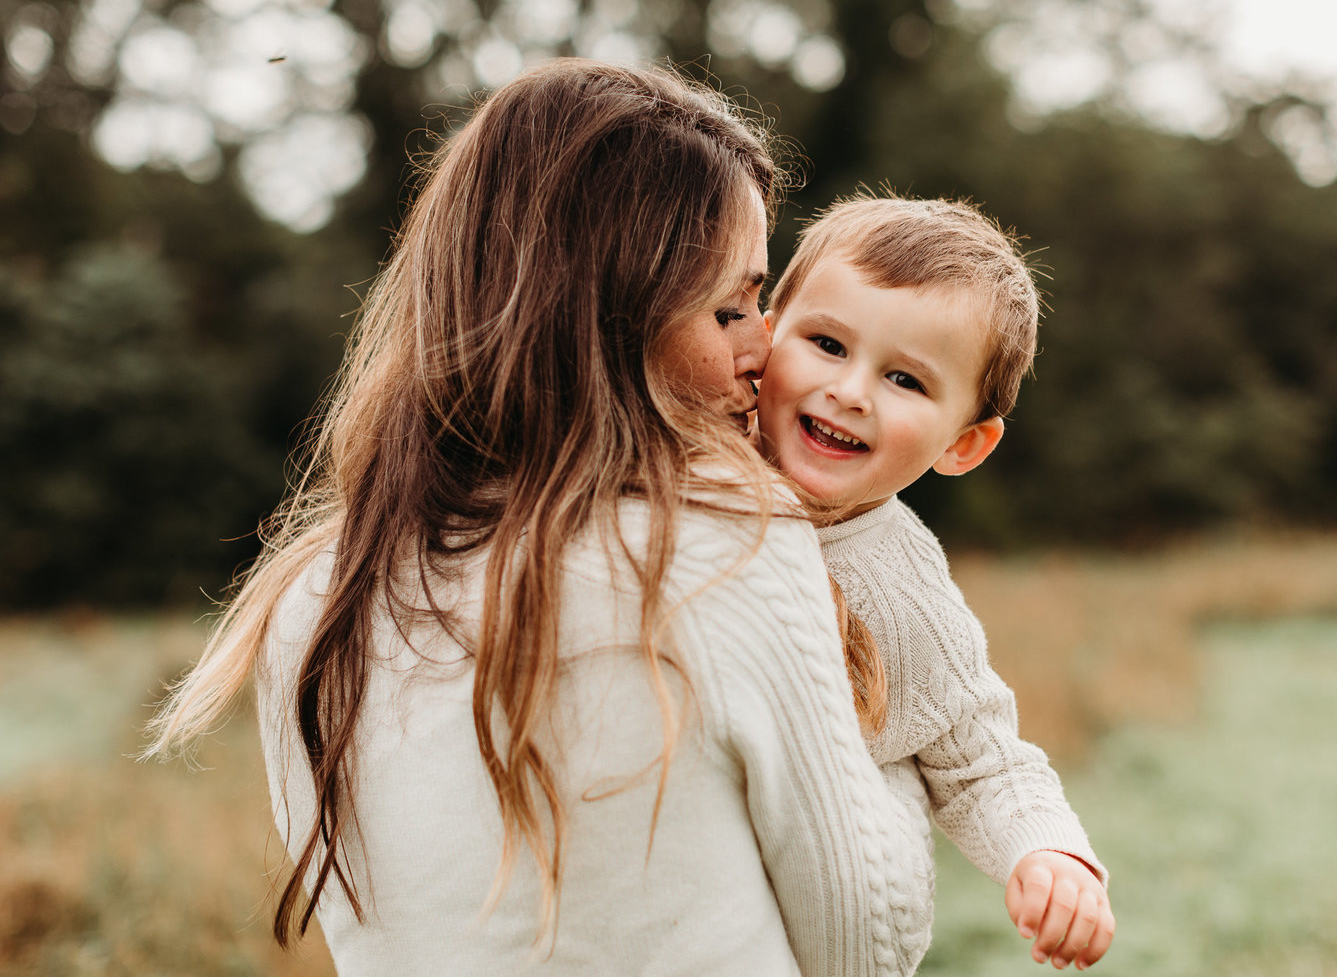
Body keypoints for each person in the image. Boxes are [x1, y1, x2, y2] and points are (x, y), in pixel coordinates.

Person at [145, 60, 932, 975]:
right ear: (608, 322)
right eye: (731, 308)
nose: (766, 348)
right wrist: (905, 747)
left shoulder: (310, 597)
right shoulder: (723, 550)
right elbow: (869, 948)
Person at [756, 194, 1117, 971]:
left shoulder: (902, 584)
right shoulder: (675, 469)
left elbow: (980, 755)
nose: (850, 390)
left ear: (965, 444)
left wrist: (1048, 852)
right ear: (763, 334)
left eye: (905, 380)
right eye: (825, 342)